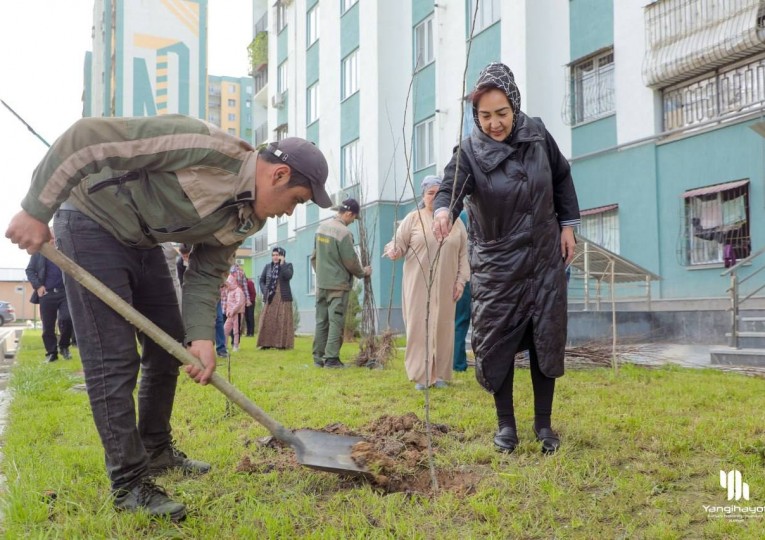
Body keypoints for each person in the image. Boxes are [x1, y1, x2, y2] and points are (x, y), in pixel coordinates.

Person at [5, 115, 332, 521]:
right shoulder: (203, 146)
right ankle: (129, 483)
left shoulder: (247, 219)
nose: (289, 212)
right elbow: (86, 137)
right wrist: (36, 208)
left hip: (143, 243)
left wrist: (201, 338)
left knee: (168, 347)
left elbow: (207, 274)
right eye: (297, 200)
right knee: (113, 357)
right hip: (91, 222)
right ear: (279, 175)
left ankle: (156, 449)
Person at [432, 63, 580, 455]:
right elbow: (450, 188)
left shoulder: (538, 134)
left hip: (544, 258)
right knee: (496, 342)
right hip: (498, 264)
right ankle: (506, 426)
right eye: (484, 116)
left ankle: (544, 426)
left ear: (514, 106)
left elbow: (562, 177)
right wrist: (443, 211)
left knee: (544, 339)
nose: (494, 123)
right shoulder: (469, 150)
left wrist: (567, 225)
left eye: (501, 113)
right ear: (475, 116)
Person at [384, 176, 469, 390]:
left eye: (439, 193)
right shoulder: (413, 219)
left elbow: (463, 255)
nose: (435, 197)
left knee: (444, 326)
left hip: (447, 283)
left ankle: (440, 375)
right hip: (417, 283)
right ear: (423, 196)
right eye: (430, 193)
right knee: (418, 325)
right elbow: (398, 243)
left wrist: (461, 281)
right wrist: (394, 250)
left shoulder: (456, 222)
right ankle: (421, 375)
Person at [311, 198, 371, 368]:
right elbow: (350, 261)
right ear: (349, 213)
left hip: (321, 284)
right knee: (336, 322)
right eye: (353, 218)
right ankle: (331, 359)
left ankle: (318, 358)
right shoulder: (344, 233)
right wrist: (362, 272)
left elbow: (314, 257)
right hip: (338, 286)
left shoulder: (320, 228)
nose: (352, 221)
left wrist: (323, 275)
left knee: (321, 321)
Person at [25, 234, 73, 363]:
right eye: (50, 237)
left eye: (55, 237)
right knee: (48, 326)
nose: (52, 240)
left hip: (65, 293)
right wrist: (38, 286)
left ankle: (64, 346)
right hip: (46, 294)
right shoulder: (39, 253)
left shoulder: (66, 252)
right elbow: (29, 270)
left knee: (67, 319)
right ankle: (51, 353)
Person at [257, 246, 295, 349]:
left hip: (283, 298)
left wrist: (282, 264)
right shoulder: (268, 267)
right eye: (273, 255)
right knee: (267, 320)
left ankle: (281, 344)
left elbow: (288, 276)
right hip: (271, 297)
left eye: (277, 255)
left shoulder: (288, 266)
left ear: (282, 256)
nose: (274, 257)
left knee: (282, 321)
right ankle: (266, 344)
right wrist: (265, 291)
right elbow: (261, 280)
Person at [452, 210, 472, 372]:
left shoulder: (435, 216)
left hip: (440, 277)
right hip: (461, 276)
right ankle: (457, 364)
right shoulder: (464, 217)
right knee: (460, 320)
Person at [221, 273, 245, 352]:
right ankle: (224, 345)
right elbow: (228, 303)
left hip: (237, 313)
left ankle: (236, 346)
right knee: (225, 329)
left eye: (228, 284)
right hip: (230, 315)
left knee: (236, 331)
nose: (227, 286)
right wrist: (228, 311)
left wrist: (233, 311)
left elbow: (239, 303)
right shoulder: (229, 291)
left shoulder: (238, 291)